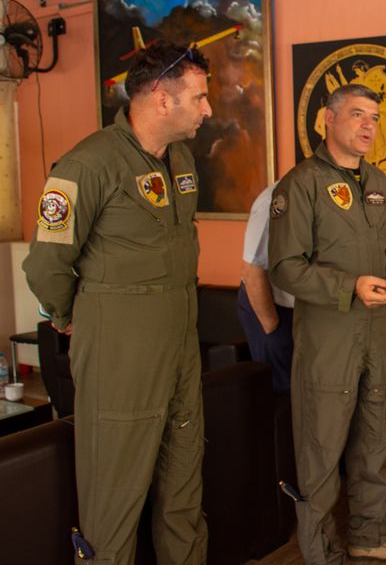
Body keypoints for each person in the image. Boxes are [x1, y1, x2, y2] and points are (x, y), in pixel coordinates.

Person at [23, 41, 212, 563]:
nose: (207, 109)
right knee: (114, 495)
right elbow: (45, 265)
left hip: (180, 343)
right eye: (199, 97)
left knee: (183, 489)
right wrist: (69, 316)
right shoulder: (86, 165)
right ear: (161, 97)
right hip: (119, 351)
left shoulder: (181, 158)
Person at [268, 83, 386, 565]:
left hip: (375, 332)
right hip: (328, 337)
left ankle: (370, 533)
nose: (369, 126)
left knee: (375, 436)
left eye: (375, 117)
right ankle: (322, 553)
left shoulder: (378, 183)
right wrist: (349, 286)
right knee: (322, 448)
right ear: (328, 119)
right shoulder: (300, 184)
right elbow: (284, 267)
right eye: (358, 115)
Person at [238, 182, 295, 392]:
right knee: (281, 388)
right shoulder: (275, 199)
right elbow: (252, 270)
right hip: (271, 306)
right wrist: (272, 327)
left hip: (300, 310)